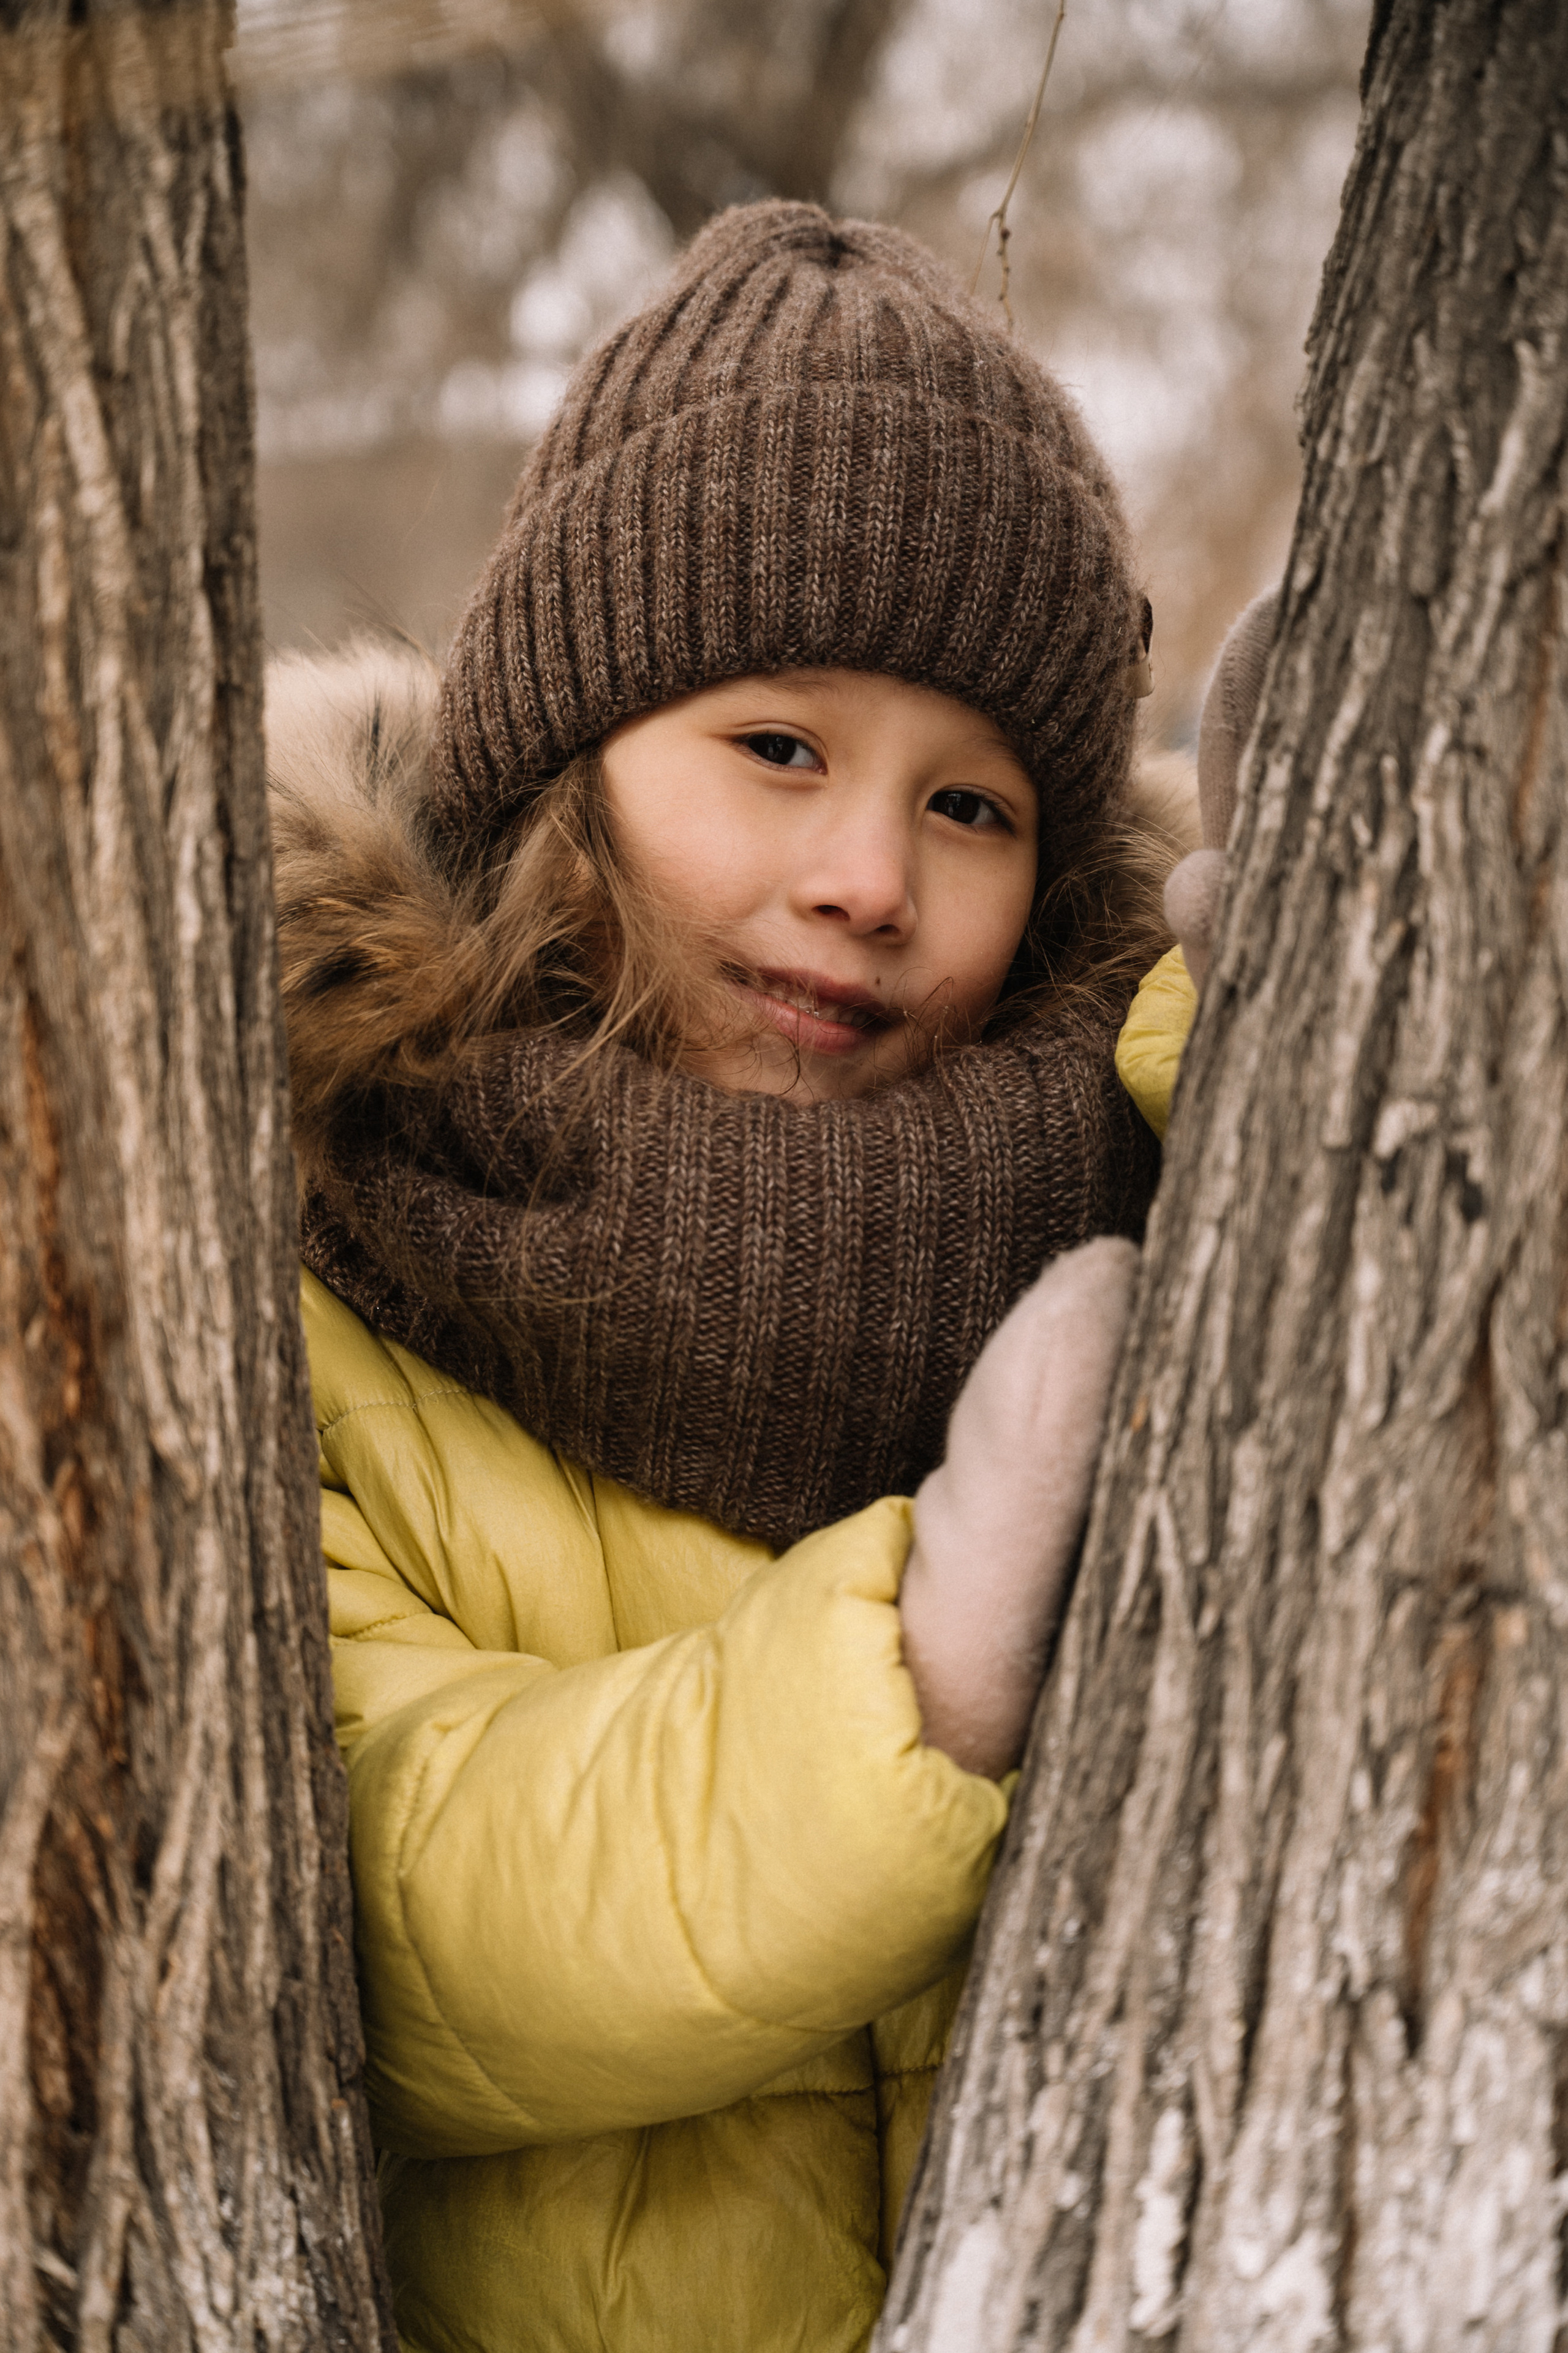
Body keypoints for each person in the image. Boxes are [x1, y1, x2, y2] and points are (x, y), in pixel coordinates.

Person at [267, 199, 1198, 2353]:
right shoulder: (330, 1232)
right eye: (779, 748)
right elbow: (403, 1910)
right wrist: (919, 1673)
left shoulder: (1112, 1192)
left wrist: (1304, 1023)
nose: (868, 878)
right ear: (568, 748)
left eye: (973, 807)